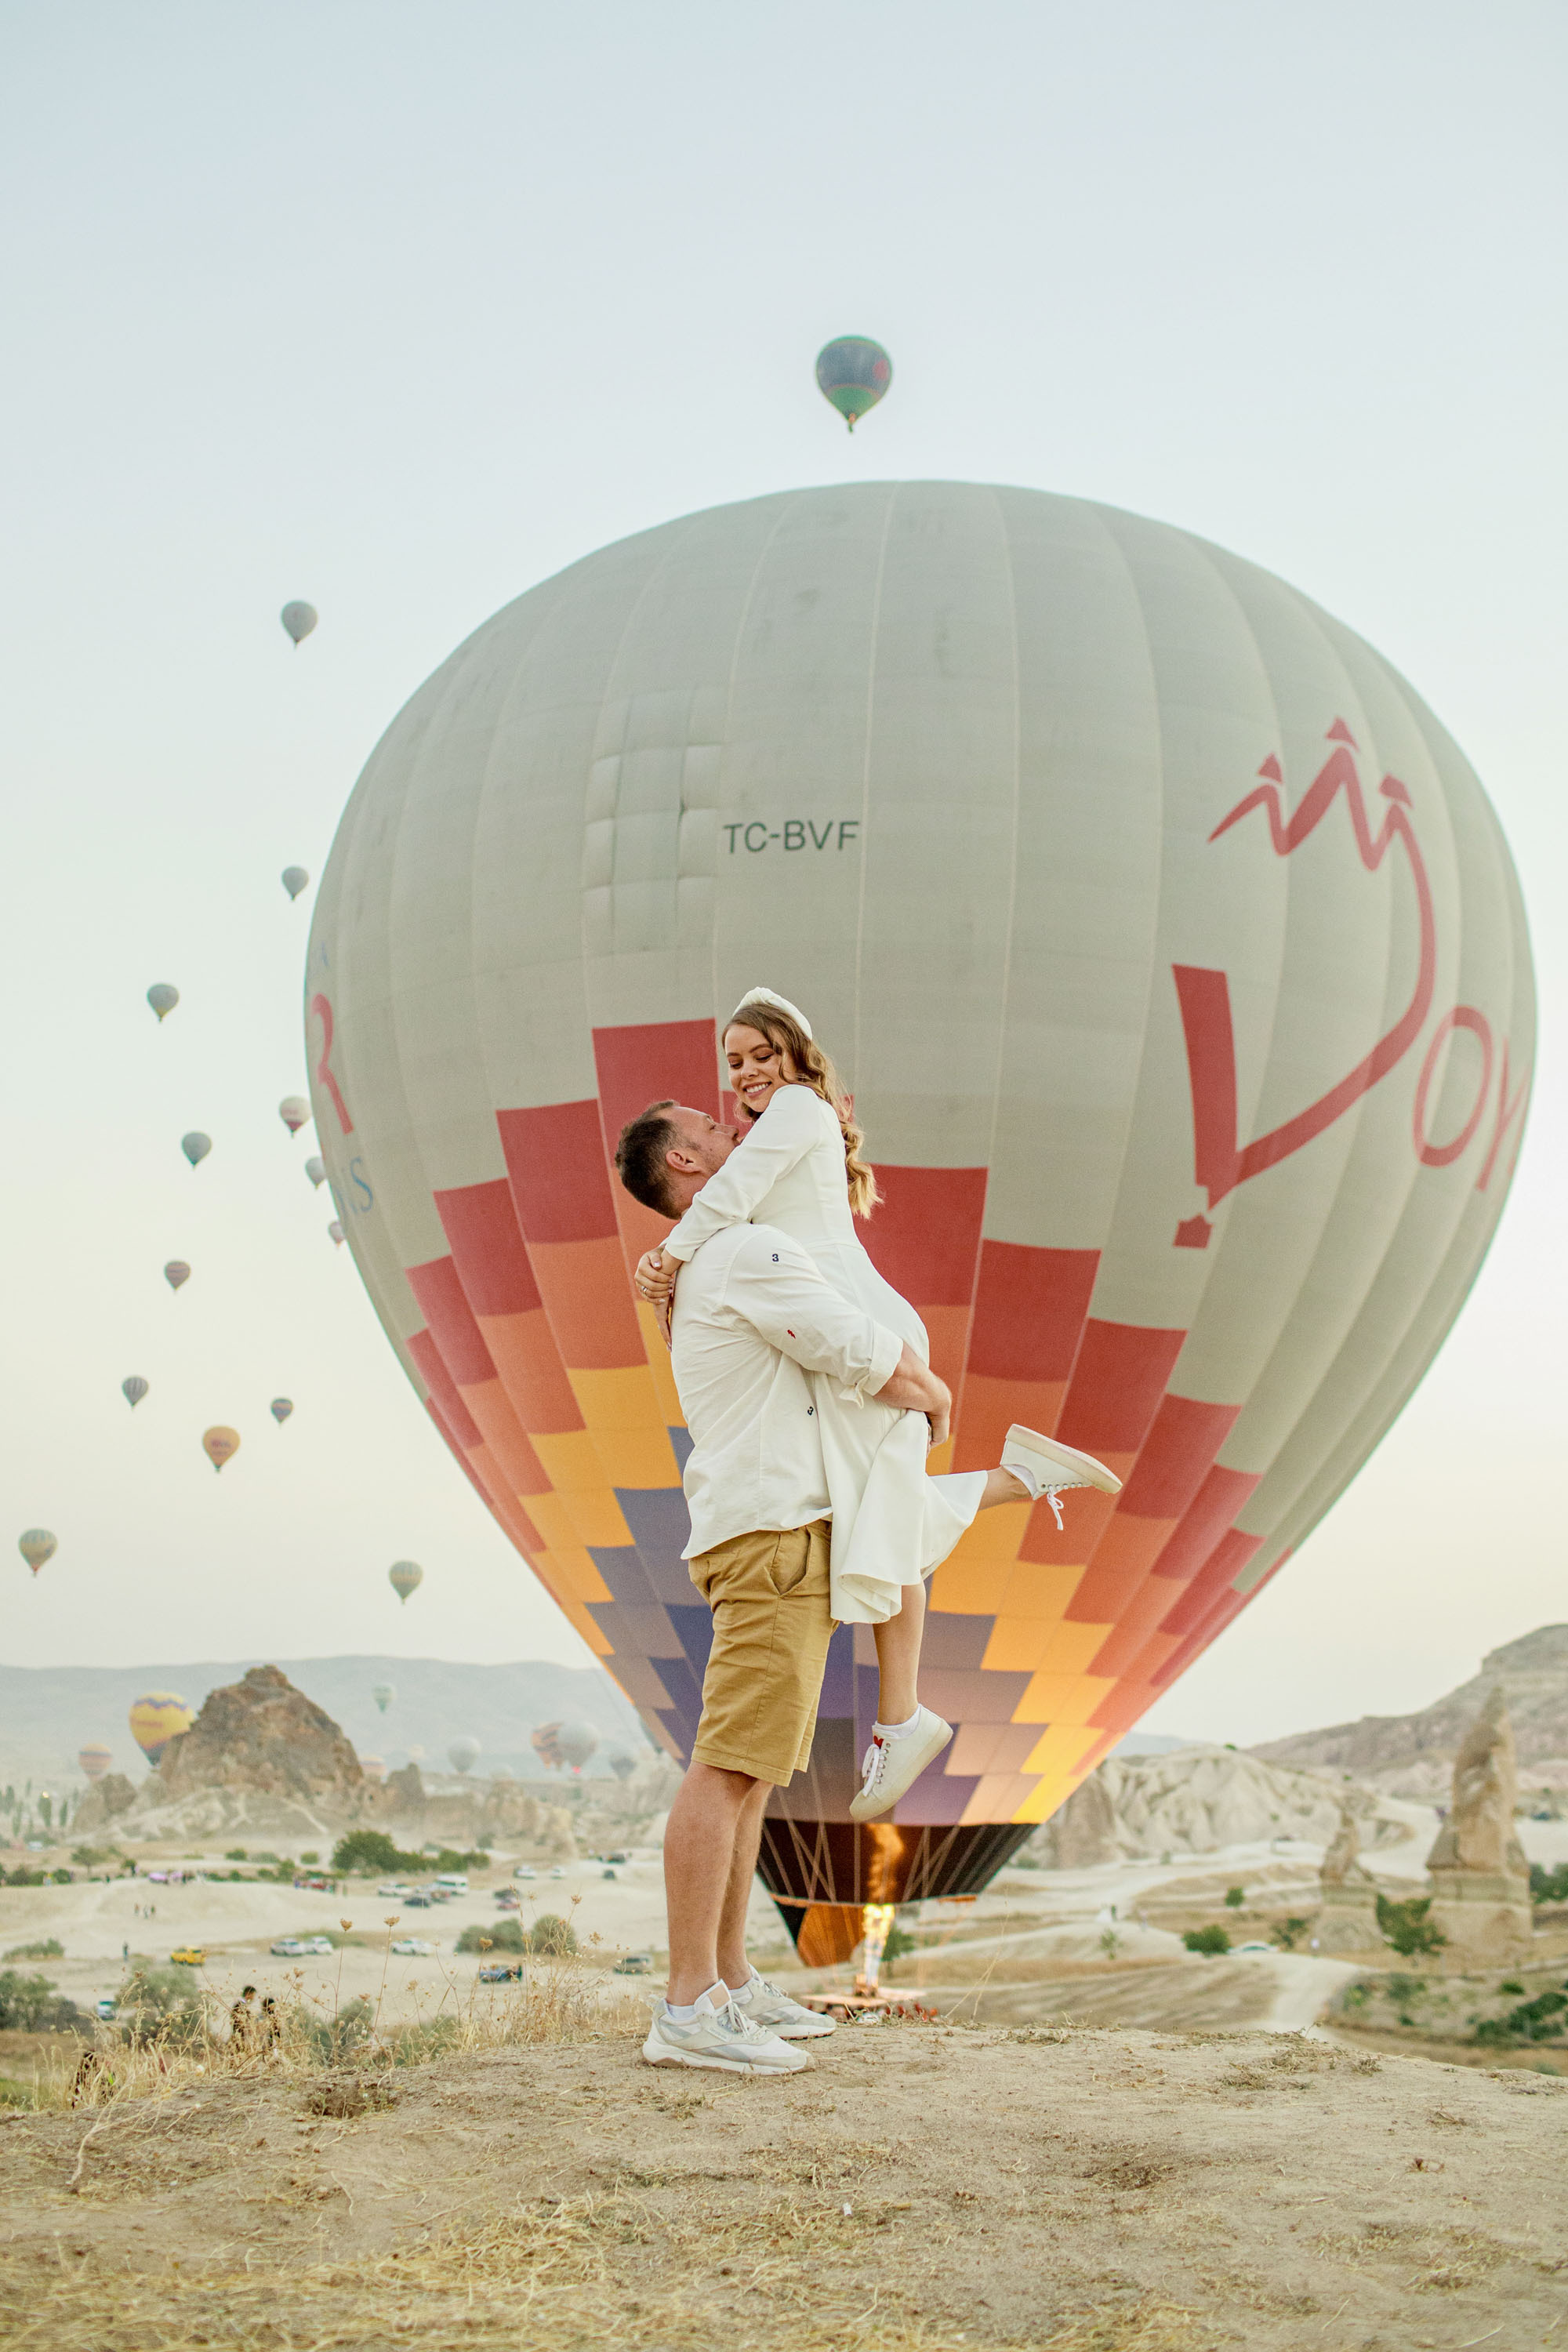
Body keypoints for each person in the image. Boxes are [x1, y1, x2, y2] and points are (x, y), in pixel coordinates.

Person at [615, 1107, 1040, 2074]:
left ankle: (726, 1980)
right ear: (685, 1162)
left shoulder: (701, 1264)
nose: (738, 1128)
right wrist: (928, 1392)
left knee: (753, 1770)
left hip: (772, 1531)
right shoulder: (743, 1251)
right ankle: (686, 2007)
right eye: (714, 1128)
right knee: (726, 1768)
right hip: (771, 1538)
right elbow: (849, 1344)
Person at [630, 987, 1120, 1821]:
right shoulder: (792, 1118)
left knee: (881, 1517)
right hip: (855, 1316)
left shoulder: (790, 1111)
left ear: (792, 1051)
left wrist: (666, 1260)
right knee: (881, 1510)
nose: (744, 1077)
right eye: (734, 1064)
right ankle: (1013, 1488)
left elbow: (727, 1193)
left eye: (759, 1053)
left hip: (856, 1323)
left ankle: (903, 1717)